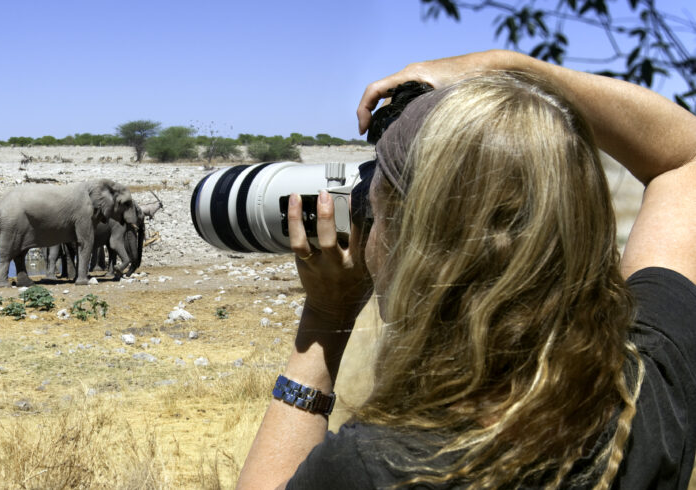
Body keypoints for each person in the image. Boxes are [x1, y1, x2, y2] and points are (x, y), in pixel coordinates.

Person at [237, 50, 696, 488]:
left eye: (374, 214)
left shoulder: (385, 466)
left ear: (414, 247)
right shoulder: (645, 390)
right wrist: (508, 67)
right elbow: (684, 159)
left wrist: (325, 319)